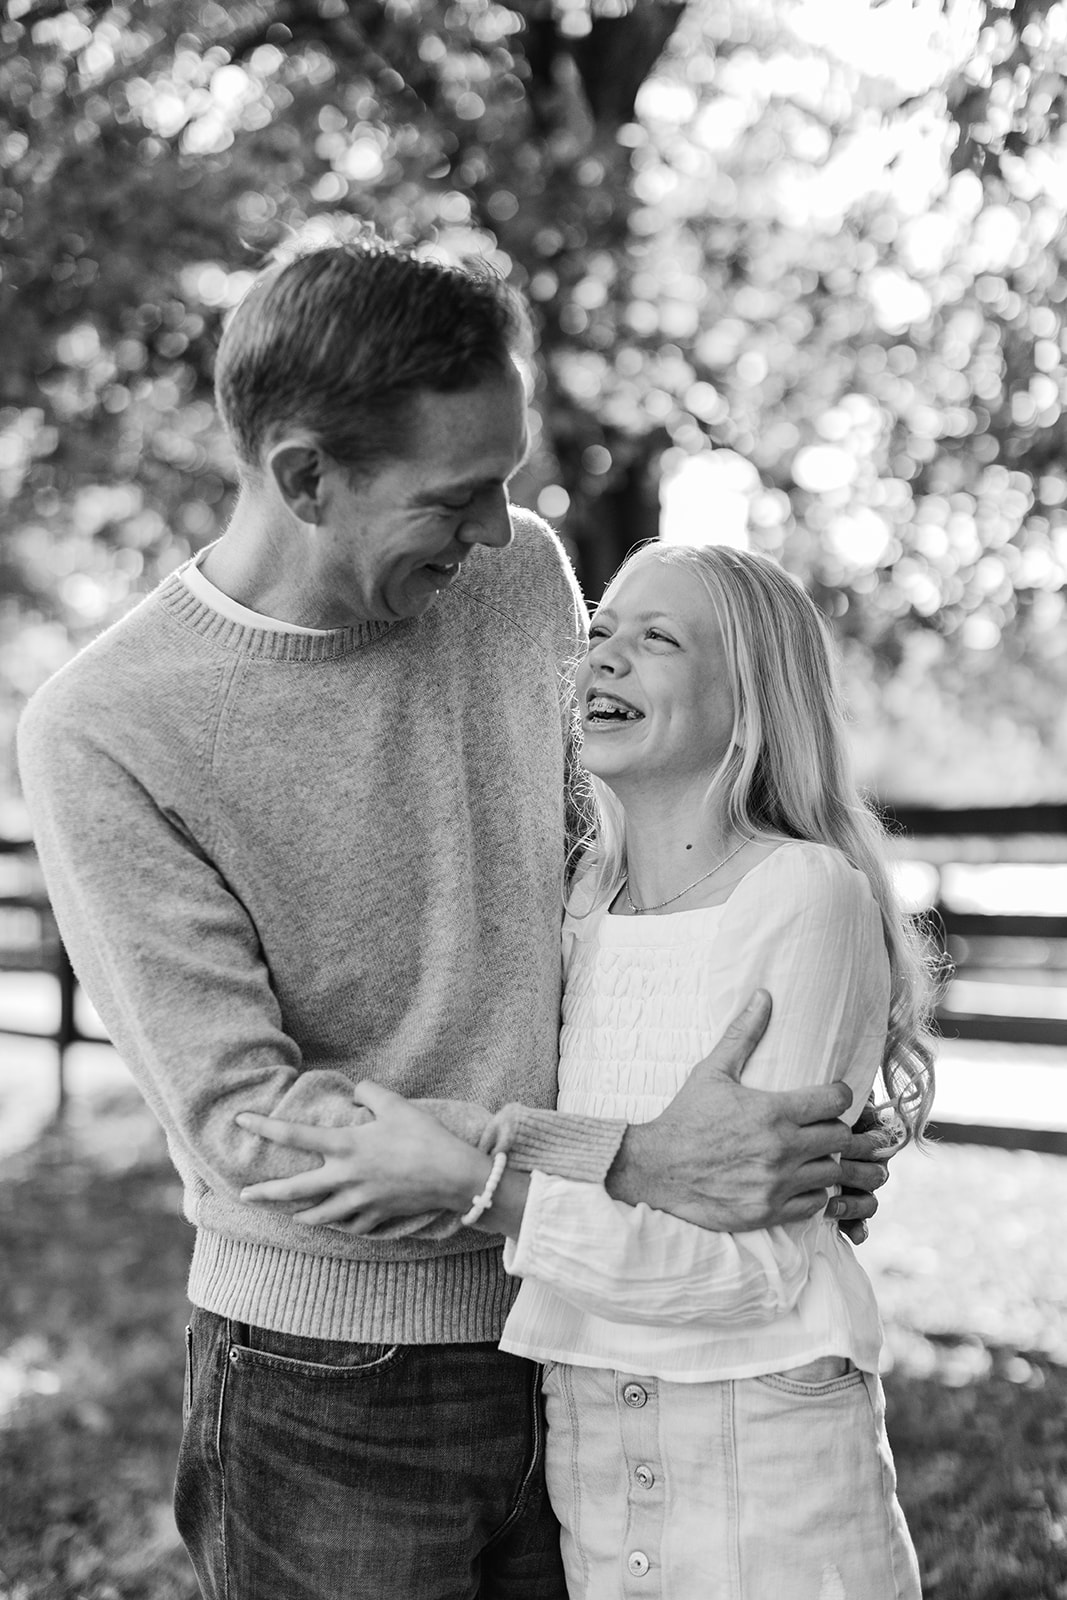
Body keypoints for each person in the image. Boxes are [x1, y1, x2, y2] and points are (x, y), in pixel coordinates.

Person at [17, 232, 889, 1600]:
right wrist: (636, 1162)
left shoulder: (512, 577)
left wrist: (790, 1126)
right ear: (306, 476)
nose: (497, 530)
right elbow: (254, 1124)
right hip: (328, 1388)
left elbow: (604, 896)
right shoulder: (107, 727)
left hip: (584, 1331)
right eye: (457, 494)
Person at [236, 541, 934, 1597]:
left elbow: (744, 1269)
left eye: (656, 639)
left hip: (757, 1453)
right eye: (601, 632)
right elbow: (599, 1151)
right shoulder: (578, 908)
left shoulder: (800, 894)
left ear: (752, 697)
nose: (601, 658)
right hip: (588, 1440)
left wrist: (483, 1191)